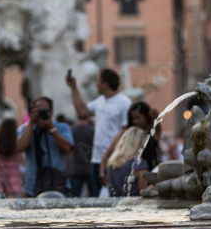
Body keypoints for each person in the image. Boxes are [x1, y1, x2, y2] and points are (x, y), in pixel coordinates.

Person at [66, 68, 131, 197]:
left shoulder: (125, 102)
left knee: (113, 197)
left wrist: (108, 154)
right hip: (96, 159)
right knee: (96, 198)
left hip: (114, 159)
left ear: (105, 84)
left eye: (98, 81)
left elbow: (126, 130)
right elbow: (82, 112)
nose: (96, 84)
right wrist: (73, 88)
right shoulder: (99, 101)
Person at [15, 98, 73, 197]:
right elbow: (19, 147)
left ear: (51, 111)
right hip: (32, 186)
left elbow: (67, 147)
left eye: (44, 111)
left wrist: (51, 128)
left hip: (58, 184)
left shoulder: (62, 128)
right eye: (37, 111)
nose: (41, 114)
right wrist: (31, 123)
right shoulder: (26, 129)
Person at [100, 102, 161, 185]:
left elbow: (157, 121)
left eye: (138, 118)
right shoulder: (125, 133)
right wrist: (102, 173)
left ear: (146, 117)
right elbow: (108, 152)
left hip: (150, 174)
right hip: (132, 176)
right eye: (133, 118)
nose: (135, 121)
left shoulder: (152, 133)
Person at [103, 127, 150, 197]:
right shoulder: (139, 164)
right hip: (133, 205)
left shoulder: (111, 164)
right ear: (139, 144)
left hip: (114, 206)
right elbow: (142, 193)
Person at [0, 118, 24, 198]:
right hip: (14, 173)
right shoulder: (16, 143)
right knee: (12, 197)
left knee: (5, 197)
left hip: (2, 172)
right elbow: (22, 160)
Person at [68, 115, 94, 197]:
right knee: (94, 195)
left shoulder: (73, 130)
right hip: (90, 167)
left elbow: (69, 151)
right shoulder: (92, 130)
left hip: (76, 168)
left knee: (75, 196)